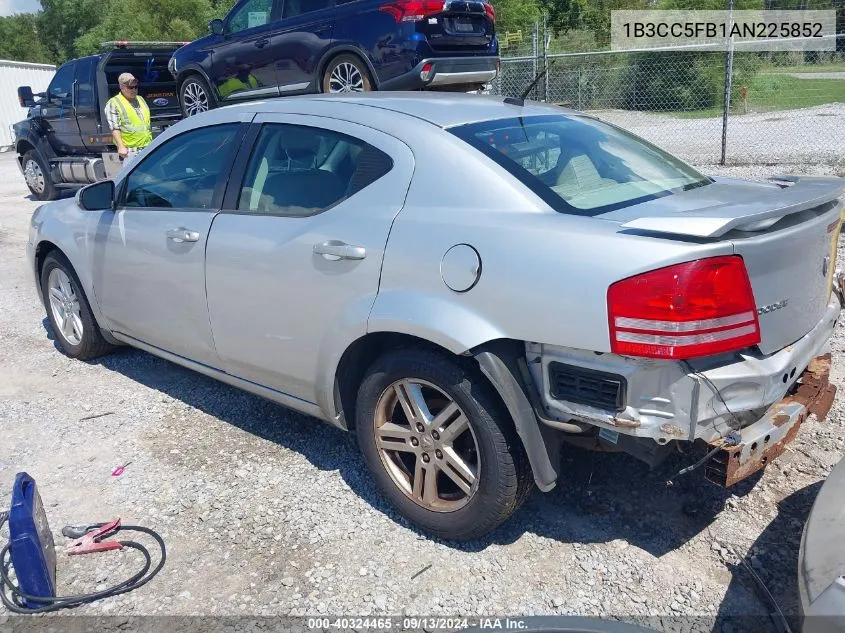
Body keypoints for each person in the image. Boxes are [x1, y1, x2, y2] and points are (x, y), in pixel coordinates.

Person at [104, 73, 152, 167]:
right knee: (134, 179)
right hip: (130, 151)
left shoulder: (141, 99)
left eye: (136, 87)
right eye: (130, 87)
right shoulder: (114, 103)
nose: (134, 90)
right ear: (121, 87)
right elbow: (114, 127)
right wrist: (121, 147)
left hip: (147, 147)